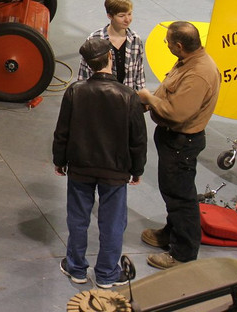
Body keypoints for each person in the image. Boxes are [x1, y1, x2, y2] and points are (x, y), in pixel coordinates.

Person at [54, 37, 147, 288]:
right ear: (109, 59)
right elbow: (138, 138)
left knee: (78, 218)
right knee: (113, 222)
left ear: (87, 63)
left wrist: (59, 160)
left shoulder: (75, 91)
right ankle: (107, 273)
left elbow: (62, 131)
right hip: (115, 171)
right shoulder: (128, 96)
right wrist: (137, 169)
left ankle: (76, 268)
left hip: (80, 167)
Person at [137, 21, 220, 270]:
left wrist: (149, 99)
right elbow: (172, 91)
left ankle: (183, 253)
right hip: (174, 140)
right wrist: (154, 100)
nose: (167, 45)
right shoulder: (189, 61)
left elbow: (177, 113)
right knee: (172, 192)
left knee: (181, 197)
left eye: (169, 42)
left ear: (180, 45)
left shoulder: (199, 73)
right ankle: (171, 232)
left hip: (182, 142)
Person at [77, 0, 146, 91]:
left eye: (129, 14)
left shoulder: (135, 40)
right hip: (101, 96)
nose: (127, 19)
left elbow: (139, 73)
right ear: (109, 16)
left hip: (127, 97)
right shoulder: (94, 40)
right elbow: (84, 73)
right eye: (121, 16)